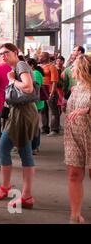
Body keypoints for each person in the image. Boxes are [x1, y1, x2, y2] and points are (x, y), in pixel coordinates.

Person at [0, 43, 38, 210]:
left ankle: (12, 189)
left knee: (3, 149)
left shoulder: (20, 65)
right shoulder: (17, 66)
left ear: (16, 52)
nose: (3, 55)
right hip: (20, 113)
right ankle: (24, 194)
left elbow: (28, 86)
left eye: (6, 52)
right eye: (0, 53)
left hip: (22, 114)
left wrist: (12, 80)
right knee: (24, 152)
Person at [63, 55, 91, 224]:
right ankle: (75, 216)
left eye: (73, 67)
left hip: (89, 134)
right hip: (73, 136)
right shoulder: (76, 88)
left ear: (81, 69)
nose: (71, 69)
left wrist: (87, 110)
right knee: (74, 175)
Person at [27, 58, 45, 155]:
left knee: (34, 126)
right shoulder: (35, 73)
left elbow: (35, 89)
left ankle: (34, 146)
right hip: (36, 103)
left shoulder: (35, 74)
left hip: (36, 103)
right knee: (34, 125)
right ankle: (34, 146)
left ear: (31, 65)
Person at [39, 52, 60, 136]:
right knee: (43, 111)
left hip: (50, 90)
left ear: (46, 57)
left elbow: (54, 81)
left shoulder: (52, 67)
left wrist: (52, 92)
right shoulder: (40, 67)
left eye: (41, 56)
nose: (39, 57)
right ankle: (45, 128)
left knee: (53, 111)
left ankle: (54, 129)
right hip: (42, 91)